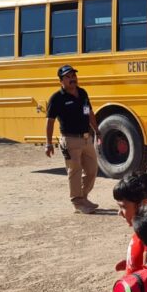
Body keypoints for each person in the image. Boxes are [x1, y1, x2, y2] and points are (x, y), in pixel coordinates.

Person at [45, 65, 101, 214]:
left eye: (74, 76)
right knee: (74, 171)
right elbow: (49, 121)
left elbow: (89, 112)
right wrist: (48, 143)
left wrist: (97, 130)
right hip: (70, 140)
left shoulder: (82, 93)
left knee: (92, 169)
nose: (72, 79)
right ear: (61, 81)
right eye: (68, 77)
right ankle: (77, 202)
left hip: (86, 139)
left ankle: (83, 197)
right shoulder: (57, 98)